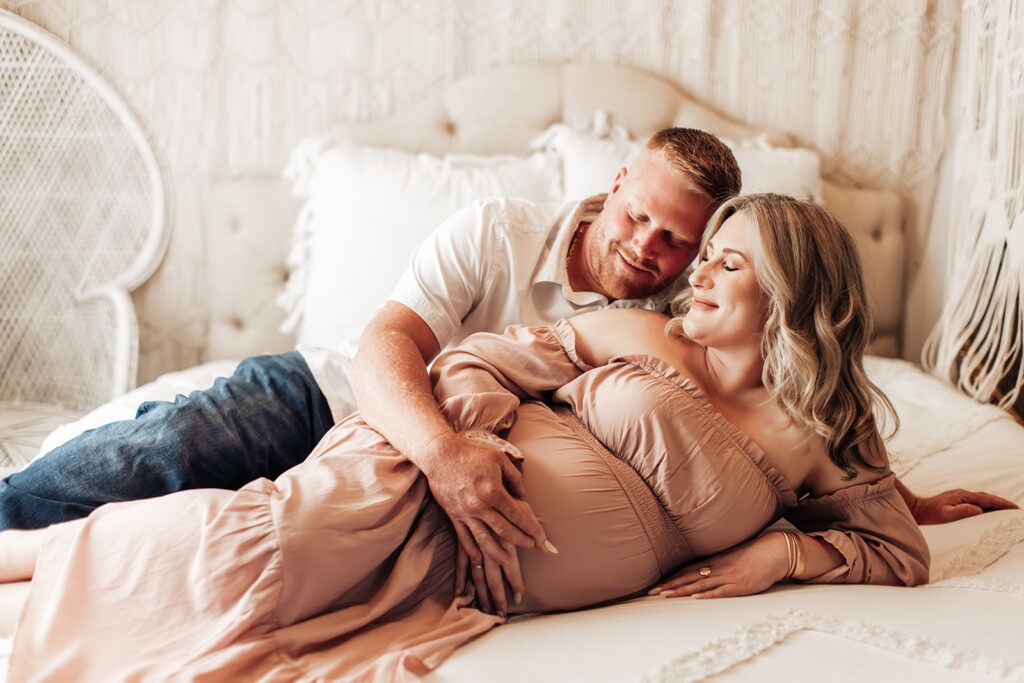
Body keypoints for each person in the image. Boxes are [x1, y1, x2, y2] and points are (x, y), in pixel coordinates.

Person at [1, 194, 934, 680]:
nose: (689, 275)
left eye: (724, 263)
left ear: (789, 295)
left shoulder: (817, 431)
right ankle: (26, 550)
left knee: (261, 606)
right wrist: (475, 454)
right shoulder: (631, 329)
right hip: (422, 476)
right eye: (704, 256)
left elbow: (895, 545)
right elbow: (468, 360)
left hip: (470, 579)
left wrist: (781, 555)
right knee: (250, 546)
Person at [0, 127, 1012, 567]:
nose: (649, 249)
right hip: (333, 400)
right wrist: (441, 449)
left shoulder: (683, 317)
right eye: (640, 218)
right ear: (613, 183)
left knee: (213, 540)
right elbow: (387, 337)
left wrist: (888, 496)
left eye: (680, 242)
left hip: (411, 497)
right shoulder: (496, 227)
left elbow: (796, 393)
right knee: (152, 463)